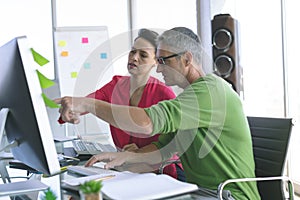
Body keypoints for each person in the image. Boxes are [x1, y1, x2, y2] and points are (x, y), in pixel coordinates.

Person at [55, 27, 260, 199]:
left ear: (186, 60)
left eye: (163, 61)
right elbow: (163, 147)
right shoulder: (191, 97)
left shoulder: (210, 90)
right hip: (200, 193)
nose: (159, 69)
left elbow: (147, 122)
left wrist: (90, 105)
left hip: (227, 195)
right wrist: (124, 157)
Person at [58, 28, 184, 181]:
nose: (135, 58)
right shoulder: (115, 85)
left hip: (159, 171)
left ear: (155, 62)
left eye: (143, 55)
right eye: (133, 52)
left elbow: (172, 145)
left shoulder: (164, 94)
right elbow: (89, 102)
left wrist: (138, 154)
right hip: (125, 169)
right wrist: (73, 110)